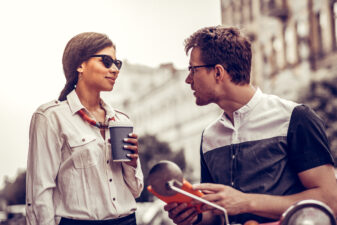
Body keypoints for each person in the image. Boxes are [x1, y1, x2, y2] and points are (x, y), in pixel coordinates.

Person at [164, 26, 337, 224]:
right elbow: (217, 212)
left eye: (193, 70)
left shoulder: (295, 118)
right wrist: (196, 216)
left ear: (218, 72)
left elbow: (330, 201)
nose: (188, 79)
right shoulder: (209, 136)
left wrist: (246, 202)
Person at [26, 32, 143, 225]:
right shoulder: (50, 117)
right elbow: (40, 192)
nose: (115, 69)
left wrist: (132, 163)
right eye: (106, 61)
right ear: (80, 65)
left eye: (117, 63)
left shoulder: (121, 119)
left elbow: (136, 190)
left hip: (127, 220)